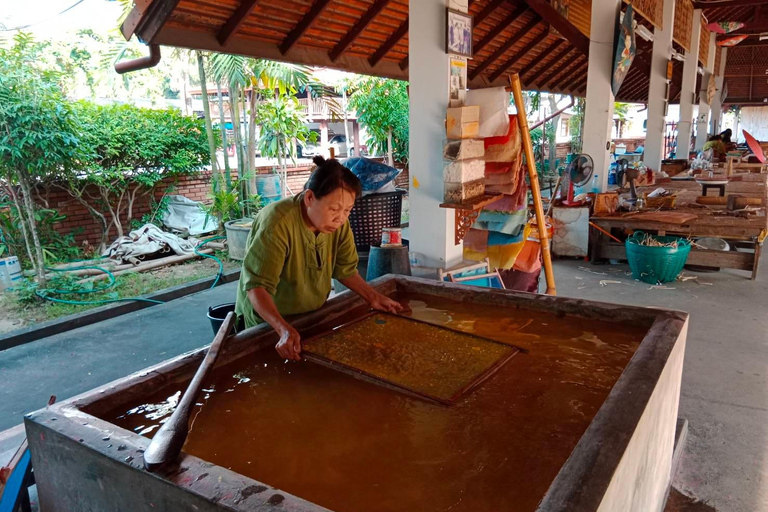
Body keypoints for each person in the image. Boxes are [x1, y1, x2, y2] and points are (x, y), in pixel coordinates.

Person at [235, 156, 403, 361]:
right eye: (333, 209)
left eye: (347, 210)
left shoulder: (338, 225)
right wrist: (282, 329)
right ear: (309, 198)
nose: (340, 218)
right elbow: (257, 287)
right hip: (269, 323)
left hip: (309, 316)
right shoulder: (277, 222)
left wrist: (373, 297)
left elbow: (345, 269)